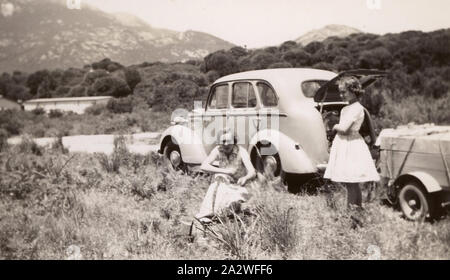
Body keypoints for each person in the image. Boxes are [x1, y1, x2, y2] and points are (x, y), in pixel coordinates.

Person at [324, 76, 380, 209]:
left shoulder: (356, 108)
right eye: (340, 92)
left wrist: (334, 126)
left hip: (351, 145)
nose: (341, 95)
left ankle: (352, 211)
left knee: (352, 181)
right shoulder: (346, 109)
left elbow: (344, 129)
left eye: (344, 92)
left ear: (354, 91)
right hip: (345, 144)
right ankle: (356, 210)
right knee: (350, 182)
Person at [195, 131, 256, 223]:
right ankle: (207, 213)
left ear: (234, 141)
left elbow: (252, 172)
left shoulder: (241, 151)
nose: (226, 144)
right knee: (219, 177)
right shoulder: (218, 150)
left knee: (221, 181)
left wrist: (245, 178)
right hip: (224, 185)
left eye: (229, 141)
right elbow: (204, 166)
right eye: (223, 141)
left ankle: (223, 213)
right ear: (219, 142)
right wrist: (225, 171)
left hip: (239, 186)